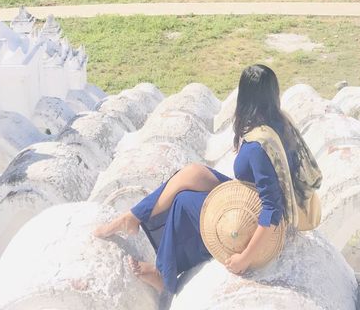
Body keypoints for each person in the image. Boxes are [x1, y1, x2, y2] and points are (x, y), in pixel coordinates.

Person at [92, 64, 322, 295]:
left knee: (183, 201)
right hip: (254, 198)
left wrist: (244, 258)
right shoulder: (280, 122)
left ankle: (163, 275)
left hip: (259, 220)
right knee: (194, 173)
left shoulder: (257, 147)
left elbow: (272, 209)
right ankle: (133, 217)